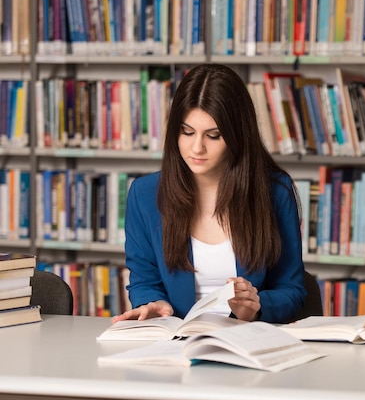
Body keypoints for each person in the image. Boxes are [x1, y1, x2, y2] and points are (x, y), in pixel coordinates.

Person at [112, 64, 306, 324]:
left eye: (213, 136)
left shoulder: (274, 193)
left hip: (248, 340)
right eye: (186, 132)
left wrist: (257, 307)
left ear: (238, 136)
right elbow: (144, 280)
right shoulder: (144, 194)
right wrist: (154, 303)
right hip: (176, 341)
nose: (197, 147)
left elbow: (292, 291)